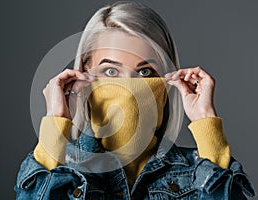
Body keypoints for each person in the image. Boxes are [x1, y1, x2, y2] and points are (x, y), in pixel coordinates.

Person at [15, 1, 255, 199]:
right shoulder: (60, 170)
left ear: (166, 79)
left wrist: (205, 120)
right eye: (110, 71)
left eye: (145, 72)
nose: (129, 88)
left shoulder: (199, 172)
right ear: (83, 73)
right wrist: (56, 121)